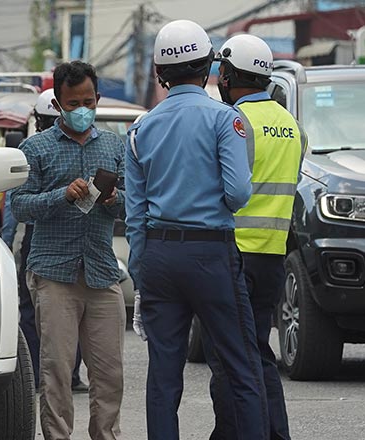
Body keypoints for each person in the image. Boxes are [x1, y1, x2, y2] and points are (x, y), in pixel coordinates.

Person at [125, 19, 269, 440]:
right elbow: (239, 193)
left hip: (158, 255)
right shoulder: (225, 120)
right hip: (211, 255)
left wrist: (142, 276)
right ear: (208, 66)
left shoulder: (141, 128)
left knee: (164, 376)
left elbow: (135, 217)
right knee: (241, 365)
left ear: (159, 73)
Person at [11, 60, 126, 440]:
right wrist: (63, 195)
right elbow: (20, 205)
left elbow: (133, 204)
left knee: (109, 374)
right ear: (59, 105)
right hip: (54, 275)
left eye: (88, 102)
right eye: (73, 104)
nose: (82, 110)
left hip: (102, 272)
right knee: (57, 372)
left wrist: (112, 199)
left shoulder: (114, 145)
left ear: (98, 99)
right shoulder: (35, 147)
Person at [207, 33, 307, 440]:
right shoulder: (292, 126)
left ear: (229, 75)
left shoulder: (236, 122)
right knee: (258, 353)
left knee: (225, 357)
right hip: (272, 257)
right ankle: (274, 434)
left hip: (235, 255)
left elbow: (227, 189)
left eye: (222, 73)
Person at [2, 88, 89, 394]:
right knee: (76, 307)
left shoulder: (32, 150)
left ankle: (39, 372)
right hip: (82, 242)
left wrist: (7, 241)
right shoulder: (85, 147)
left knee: (31, 308)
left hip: (39, 241)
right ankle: (72, 375)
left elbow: (17, 206)